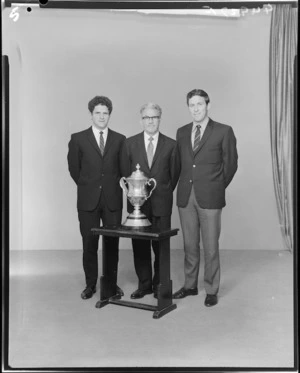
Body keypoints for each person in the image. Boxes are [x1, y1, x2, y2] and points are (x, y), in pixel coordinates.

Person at [173, 89, 238, 307]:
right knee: (189, 245)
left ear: (208, 105)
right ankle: (190, 286)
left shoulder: (223, 131)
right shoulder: (181, 132)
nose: (196, 109)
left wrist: (216, 187)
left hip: (210, 196)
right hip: (186, 197)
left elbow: (230, 165)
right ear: (188, 107)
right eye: (192, 105)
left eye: (200, 104)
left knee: (210, 246)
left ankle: (211, 289)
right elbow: (180, 165)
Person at [67, 95, 126, 300]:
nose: (102, 117)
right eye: (98, 113)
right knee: (89, 244)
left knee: (112, 245)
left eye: (106, 113)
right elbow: (75, 169)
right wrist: (89, 186)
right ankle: (90, 285)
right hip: (88, 200)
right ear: (91, 114)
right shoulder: (78, 139)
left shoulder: (120, 139)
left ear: (110, 115)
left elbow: (123, 169)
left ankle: (111, 284)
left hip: (112, 200)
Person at [123, 102, 180, 299]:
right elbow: (125, 174)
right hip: (138, 206)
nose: (150, 121)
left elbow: (174, 175)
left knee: (161, 247)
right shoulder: (129, 144)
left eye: (154, 117)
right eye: (147, 117)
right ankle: (144, 284)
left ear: (159, 120)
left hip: (161, 204)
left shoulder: (171, 145)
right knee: (139, 246)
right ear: (141, 121)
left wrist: (161, 193)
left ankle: (159, 285)